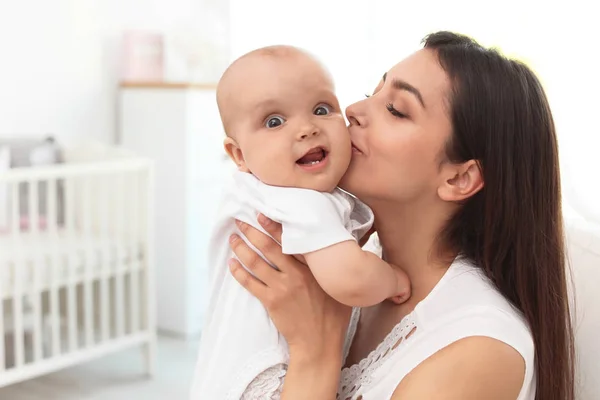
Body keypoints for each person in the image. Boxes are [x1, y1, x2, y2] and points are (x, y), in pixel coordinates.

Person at [225, 31, 576, 399]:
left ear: (459, 177)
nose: (353, 112)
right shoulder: (345, 257)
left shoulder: (476, 351)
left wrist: (315, 353)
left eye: (395, 110)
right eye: (370, 94)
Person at [190, 45, 410, 399]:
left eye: (322, 109)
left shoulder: (256, 190)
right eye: (274, 121)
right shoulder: (297, 200)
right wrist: (393, 279)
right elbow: (350, 279)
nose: (307, 128)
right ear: (239, 154)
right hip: (265, 381)